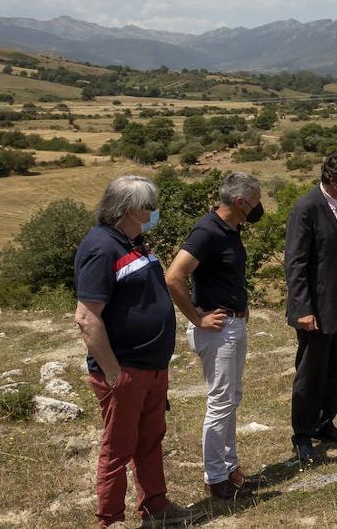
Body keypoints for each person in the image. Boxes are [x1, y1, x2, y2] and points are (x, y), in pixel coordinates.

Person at [73, 175, 194, 528]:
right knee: (118, 449)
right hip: (125, 369)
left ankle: (156, 507)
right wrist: (112, 372)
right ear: (128, 209)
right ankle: (109, 520)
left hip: (151, 366)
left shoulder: (133, 242)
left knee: (151, 439)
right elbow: (86, 317)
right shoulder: (101, 247)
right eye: (149, 206)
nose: (154, 212)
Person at [164, 172, 265, 500]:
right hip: (217, 330)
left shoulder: (231, 229)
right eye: (256, 202)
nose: (259, 207)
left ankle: (229, 467)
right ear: (240, 202)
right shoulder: (207, 230)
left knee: (231, 398)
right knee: (221, 401)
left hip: (233, 326)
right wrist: (197, 317)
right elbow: (173, 276)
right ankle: (215, 477)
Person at [285, 153, 337, 467]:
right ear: (334, 180)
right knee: (311, 373)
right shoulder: (307, 207)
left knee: (336, 368)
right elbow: (295, 263)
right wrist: (303, 308)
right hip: (316, 309)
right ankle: (303, 436)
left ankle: (325, 422)